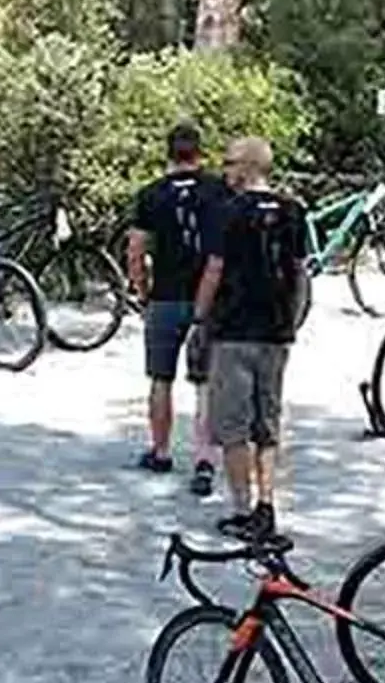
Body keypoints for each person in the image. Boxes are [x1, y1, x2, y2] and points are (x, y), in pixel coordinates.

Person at [191, 134, 309, 539]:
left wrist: (199, 316)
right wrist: (291, 321)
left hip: (234, 330)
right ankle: (267, 503)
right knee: (268, 422)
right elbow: (299, 273)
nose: (224, 171)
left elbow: (214, 270)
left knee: (233, 425)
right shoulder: (294, 211)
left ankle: (242, 508)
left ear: (246, 167)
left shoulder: (228, 212)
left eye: (229, 163)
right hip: (276, 332)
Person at [125, 121, 223, 490]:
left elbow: (136, 250)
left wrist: (142, 290)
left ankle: (162, 451)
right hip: (207, 299)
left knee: (160, 378)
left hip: (165, 297)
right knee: (205, 384)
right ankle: (204, 461)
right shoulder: (218, 190)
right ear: (200, 152)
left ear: (168, 153)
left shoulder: (151, 194)